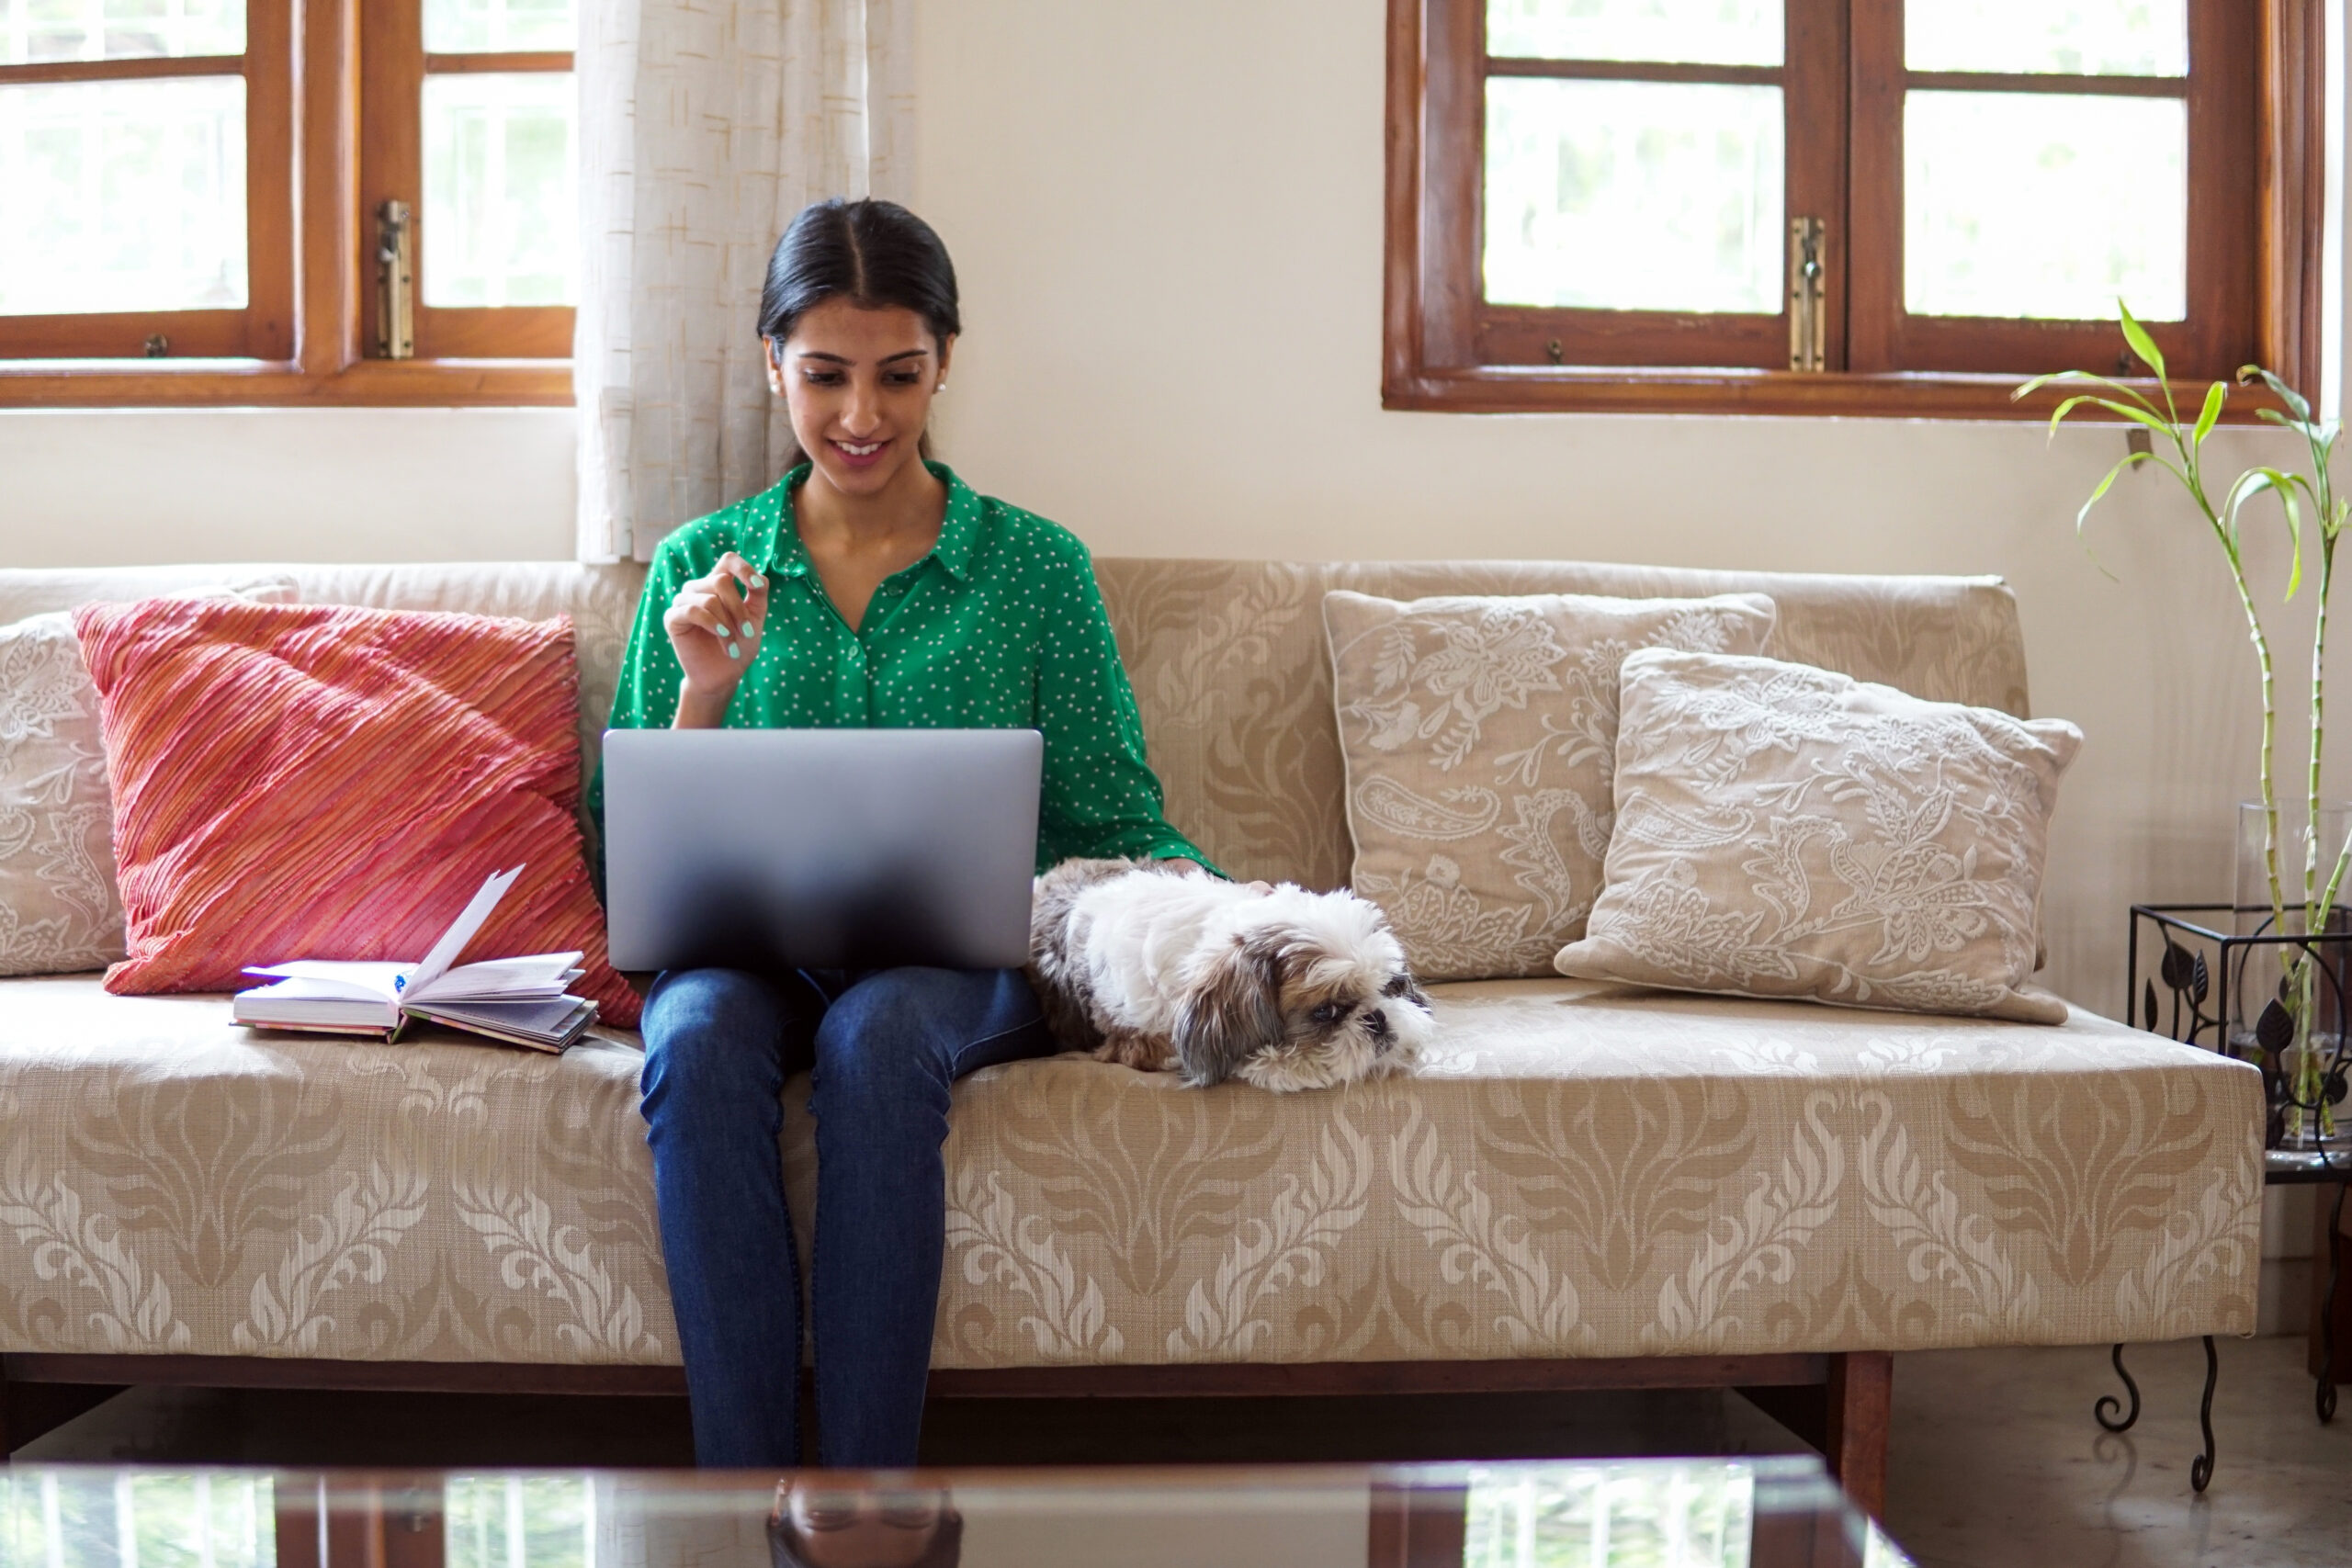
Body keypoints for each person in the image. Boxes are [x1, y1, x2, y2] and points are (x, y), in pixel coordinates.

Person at [604, 197, 1216, 1468]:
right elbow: (631, 854)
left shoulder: (1036, 569)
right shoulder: (700, 564)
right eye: (824, 377)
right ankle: (741, 1506)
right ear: (772, 364)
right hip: (746, 958)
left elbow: (1114, 817)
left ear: (947, 362)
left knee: (878, 1035)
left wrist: (1212, 928)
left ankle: (863, 1514)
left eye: (899, 376)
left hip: (955, 967)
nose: (862, 418)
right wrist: (704, 689)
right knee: (698, 1034)